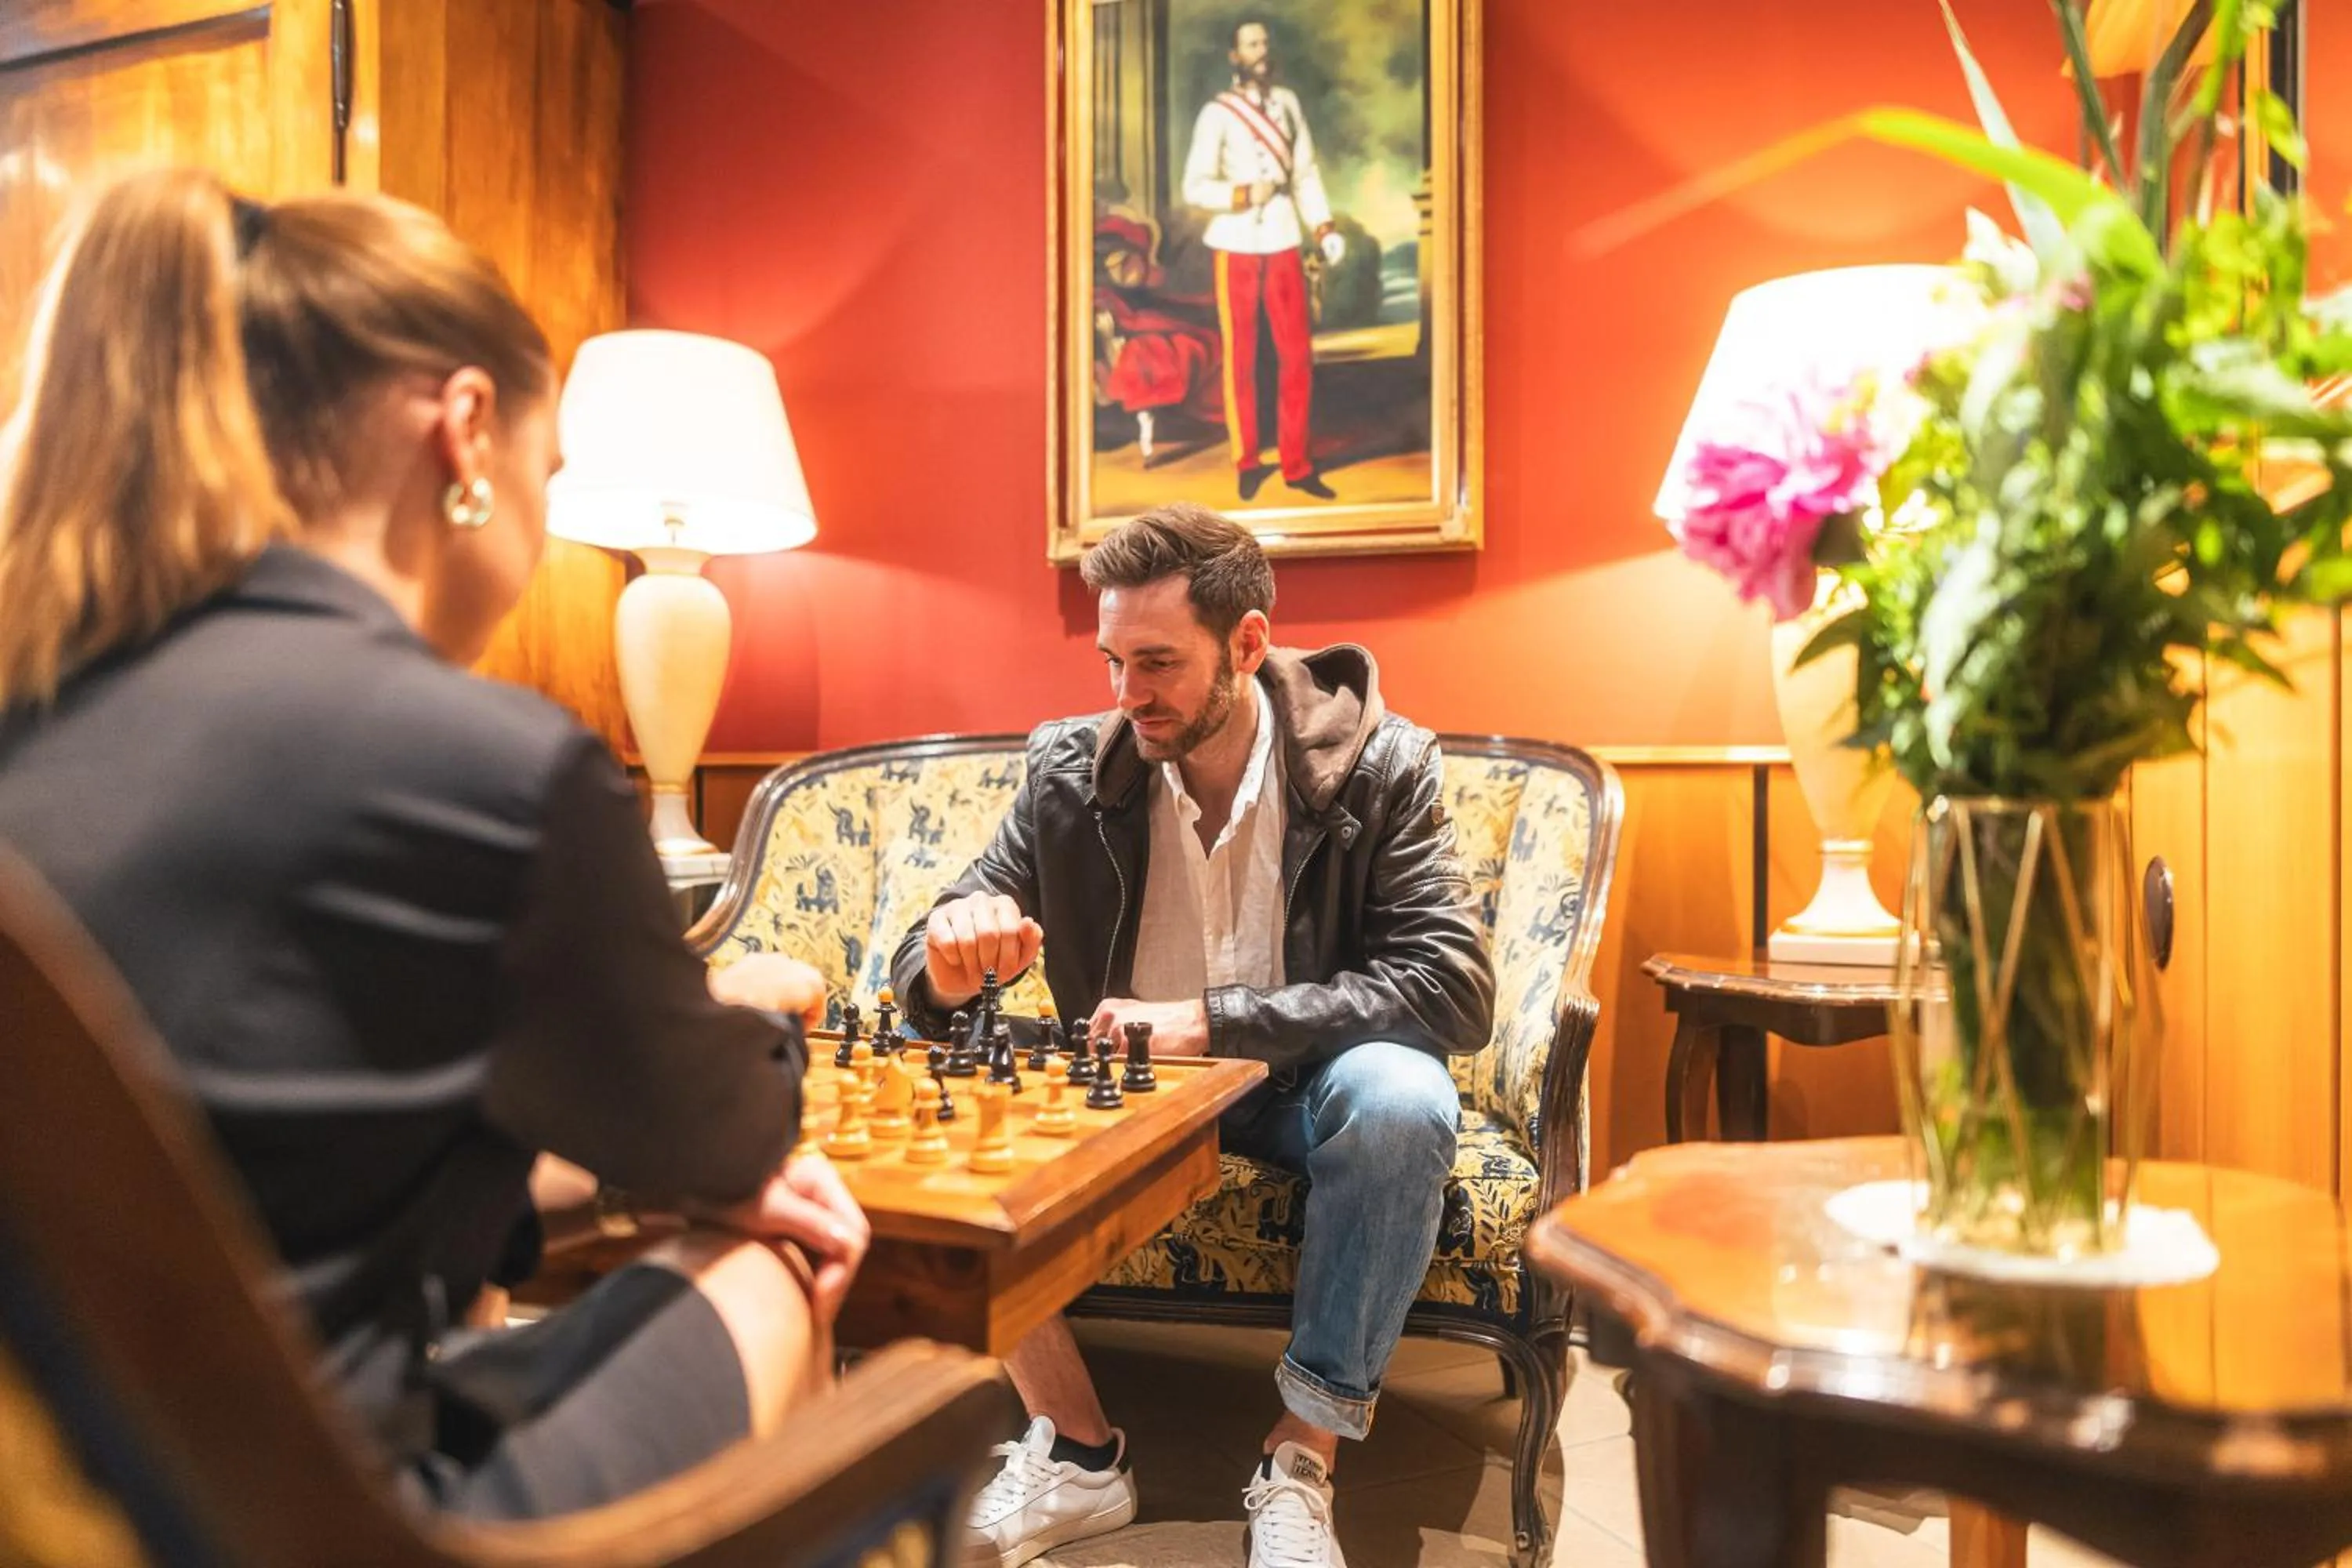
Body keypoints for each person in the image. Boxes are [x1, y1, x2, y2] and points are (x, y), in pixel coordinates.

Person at [0, 169, 867, 1521]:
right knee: (771, 1250)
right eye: (548, 473)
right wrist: (738, 1012)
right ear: (467, 435)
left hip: (77, 1495)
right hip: (306, 1519)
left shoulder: (43, 710)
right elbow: (730, 1146)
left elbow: (266, 1161)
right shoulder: (485, 764)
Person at [888, 503, 1494, 1568]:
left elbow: (1451, 984)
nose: (1128, 697)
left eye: (1157, 664)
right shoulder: (1073, 770)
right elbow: (937, 947)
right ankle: (1076, 1452)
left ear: (1249, 644)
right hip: (1138, 1100)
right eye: (1113, 661)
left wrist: (1218, 1021)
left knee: (1405, 1098)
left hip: (1311, 1086)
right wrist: (944, 958)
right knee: (947, 1086)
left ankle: (1301, 1459)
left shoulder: (1380, 763)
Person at [1181, 19, 1345, 503]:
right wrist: (1243, 192)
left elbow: (1307, 175)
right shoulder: (1217, 114)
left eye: (1265, 43)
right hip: (1234, 243)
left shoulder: (1290, 105)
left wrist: (1324, 227)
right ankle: (1248, 461)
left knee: (1297, 355)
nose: (1261, 51)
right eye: (1251, 45)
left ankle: (1297, 464)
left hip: (1282, 239)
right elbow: (1194, 186)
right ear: (1234, 56)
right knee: (1243, 360)